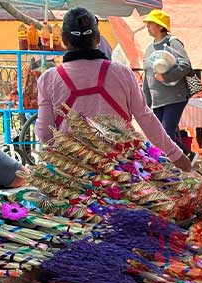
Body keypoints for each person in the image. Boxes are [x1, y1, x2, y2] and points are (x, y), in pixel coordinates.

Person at [36, 8, 191, 172]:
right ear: (97, 39)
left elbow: (46, 135)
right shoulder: (123, 73)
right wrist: (176, 155)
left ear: (64, 40)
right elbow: (146, 119)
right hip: (121, 175)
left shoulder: (48, 79)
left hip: (72, 177)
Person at [142, 9, 193, 155]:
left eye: (150, 23)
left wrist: (167, 77)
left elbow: (185, 64)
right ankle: (174, 162)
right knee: (158, 135)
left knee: (165, 134)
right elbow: (148, 75)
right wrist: (146, 100)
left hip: (174, 97)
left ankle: (187, 157)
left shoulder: (172, 42)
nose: (147, 26)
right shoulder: (149, 48)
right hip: (157, 100)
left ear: (160, 26)